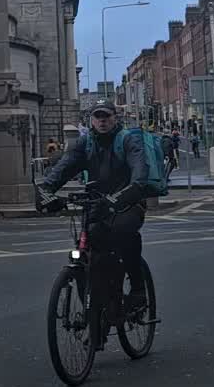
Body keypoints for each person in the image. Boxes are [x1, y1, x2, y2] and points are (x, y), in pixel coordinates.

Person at [40, 99, 148, 307]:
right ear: (91, 120)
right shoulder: (85, 143)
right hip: (96, 205)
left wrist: (115, 200)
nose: (102, 121)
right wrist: (45, 193)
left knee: (125, 234)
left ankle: (138, 288)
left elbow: (139, 179)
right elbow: (63, 169)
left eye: (106, 116)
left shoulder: (127, 141)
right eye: (97, 116)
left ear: (114, 118)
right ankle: (97, 311)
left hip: (128, 204)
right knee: (90, 248)